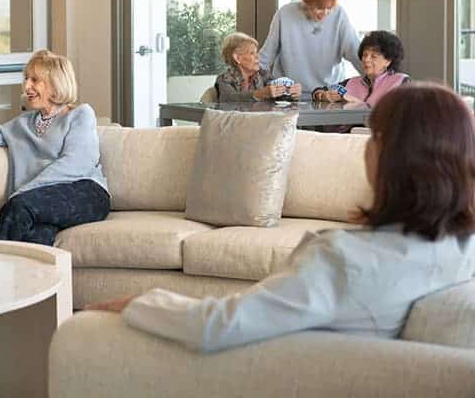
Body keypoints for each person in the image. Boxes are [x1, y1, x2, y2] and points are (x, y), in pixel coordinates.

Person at [88, 83, 475, 353]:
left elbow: (219, 326)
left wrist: (137, 304)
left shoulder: (343, 260)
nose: (365, 149)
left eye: (373, 137)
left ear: (395, 157)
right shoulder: (460, 248)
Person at [0, 50, 110, 246]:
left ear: (56, 84)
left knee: (18, 208)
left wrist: (25, 192)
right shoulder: (22, 124)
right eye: (26, 79)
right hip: (37, 201)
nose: (26, 86)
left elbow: (76, 163)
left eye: (35, 80)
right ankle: (33, 277)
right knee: (37, 236)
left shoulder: (80, 115)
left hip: (86, 193)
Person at [258, 0, 363, 91]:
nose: (325, 13)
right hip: (289, 92)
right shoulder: (285, 13)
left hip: (328, 93)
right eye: (319, 8)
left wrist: (378, 82)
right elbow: (266, 56)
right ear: (306, 2)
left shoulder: (339, 14)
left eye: (329, 8)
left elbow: (355, 53)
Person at [313, 30, 409, 106]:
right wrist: (323, 95)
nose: (366, 60)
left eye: (373, 56)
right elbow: (320, 90)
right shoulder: (351, 83)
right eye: (364, 55)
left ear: (388, 61)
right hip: (349, 130)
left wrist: (353, 101)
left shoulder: (400, 82)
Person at [214, 32, 301, 102]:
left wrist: (290, 93)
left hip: (261, 122)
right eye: (252, 53)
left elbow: (278, 96)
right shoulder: (224, 79)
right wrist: (260, 94)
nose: (257, 57)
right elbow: (228, 99)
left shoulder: (264, 75)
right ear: (237, 58)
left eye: (256, 52)